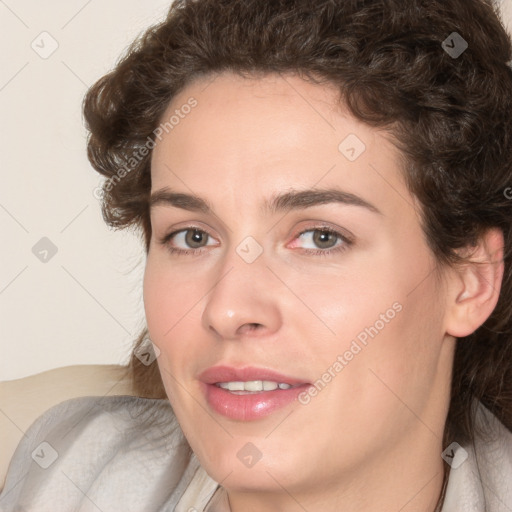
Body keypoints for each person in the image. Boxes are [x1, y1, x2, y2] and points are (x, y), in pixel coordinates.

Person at [1, 0, 512, 510]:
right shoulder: (70, 468)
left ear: (471, 279)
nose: (227, 310)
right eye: (193, 237)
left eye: (320, 238)